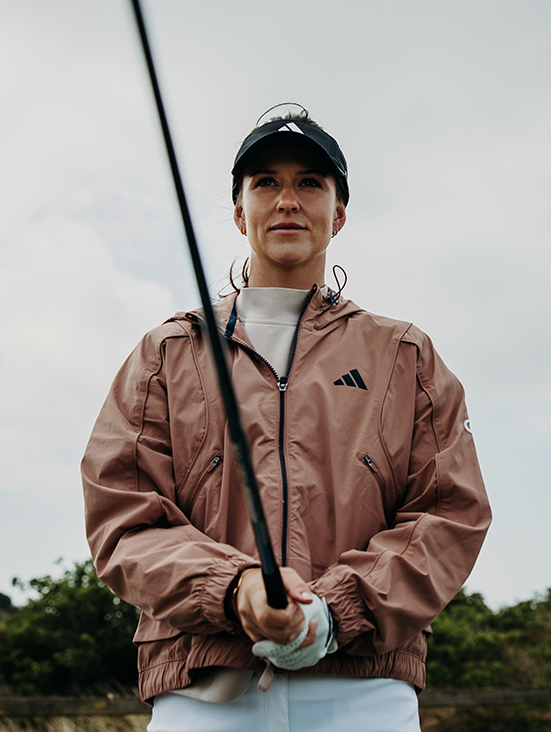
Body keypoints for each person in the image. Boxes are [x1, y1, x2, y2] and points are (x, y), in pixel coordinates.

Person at [81, 109, 491, 732]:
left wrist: (332, 613)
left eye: (311, 183)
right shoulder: (167, 352)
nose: (288, 201)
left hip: (364, 692)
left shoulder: (405, 354)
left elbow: (449, 514)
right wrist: (232, 587)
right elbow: (123, 518)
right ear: (242, 213)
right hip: (204, 693)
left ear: (340, 213)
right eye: (266, 182)